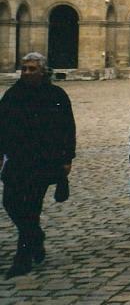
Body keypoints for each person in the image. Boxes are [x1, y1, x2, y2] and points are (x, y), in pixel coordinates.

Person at [0, 52, 76, 278]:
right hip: (17, 160)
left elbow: (68, 128)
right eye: (24, 68)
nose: (26, 72)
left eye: (32, 69)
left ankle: (22, 259)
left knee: (31, 208)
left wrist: (67, 158)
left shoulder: (56, 95)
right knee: (10, 203)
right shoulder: (13, 94)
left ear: (43, 71)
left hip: (44, 161)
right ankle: (36, 237)